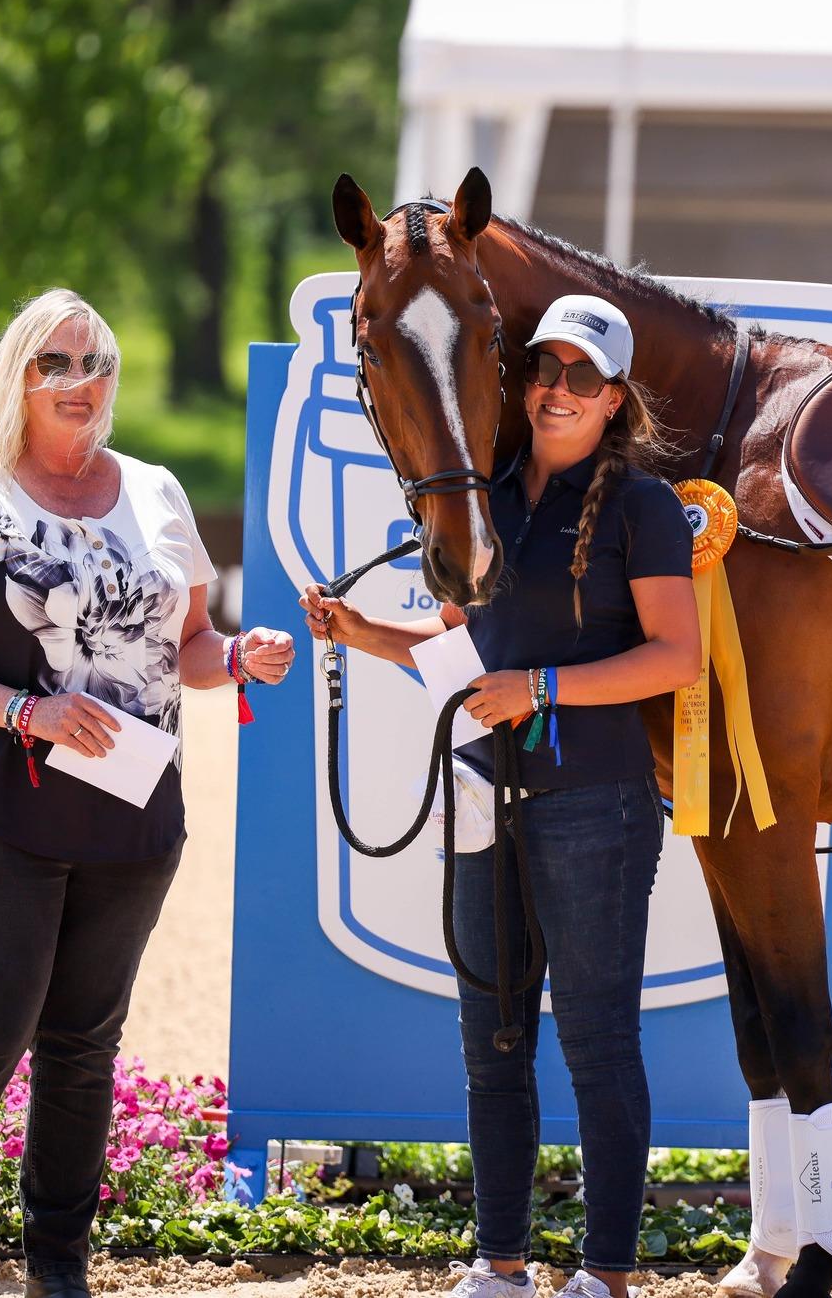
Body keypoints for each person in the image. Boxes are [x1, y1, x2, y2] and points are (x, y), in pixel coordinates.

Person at [0, 288, 295, 1298]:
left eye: (95, 363)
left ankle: (58, 1263)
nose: (80, 381)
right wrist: (30, 712)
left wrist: (241, 655)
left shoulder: (156, 491)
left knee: (83, 1048)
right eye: (56, 363)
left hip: (134, 822)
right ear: (20, 377)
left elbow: (187, 646)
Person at [299, 294, 700, 1298]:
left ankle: (604, 1274)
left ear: (615, 400)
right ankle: (500, 1263)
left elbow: (676, 658)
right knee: (493, 1042)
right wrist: (360, 634)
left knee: (598, 1044)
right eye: (545, 370)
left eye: (582, 377)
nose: (558, 389)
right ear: (523, 383)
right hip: (482, 792)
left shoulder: (642, 507)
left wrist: (546, 689)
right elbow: (470, 661)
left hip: (595, 805)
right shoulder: (484, 499)